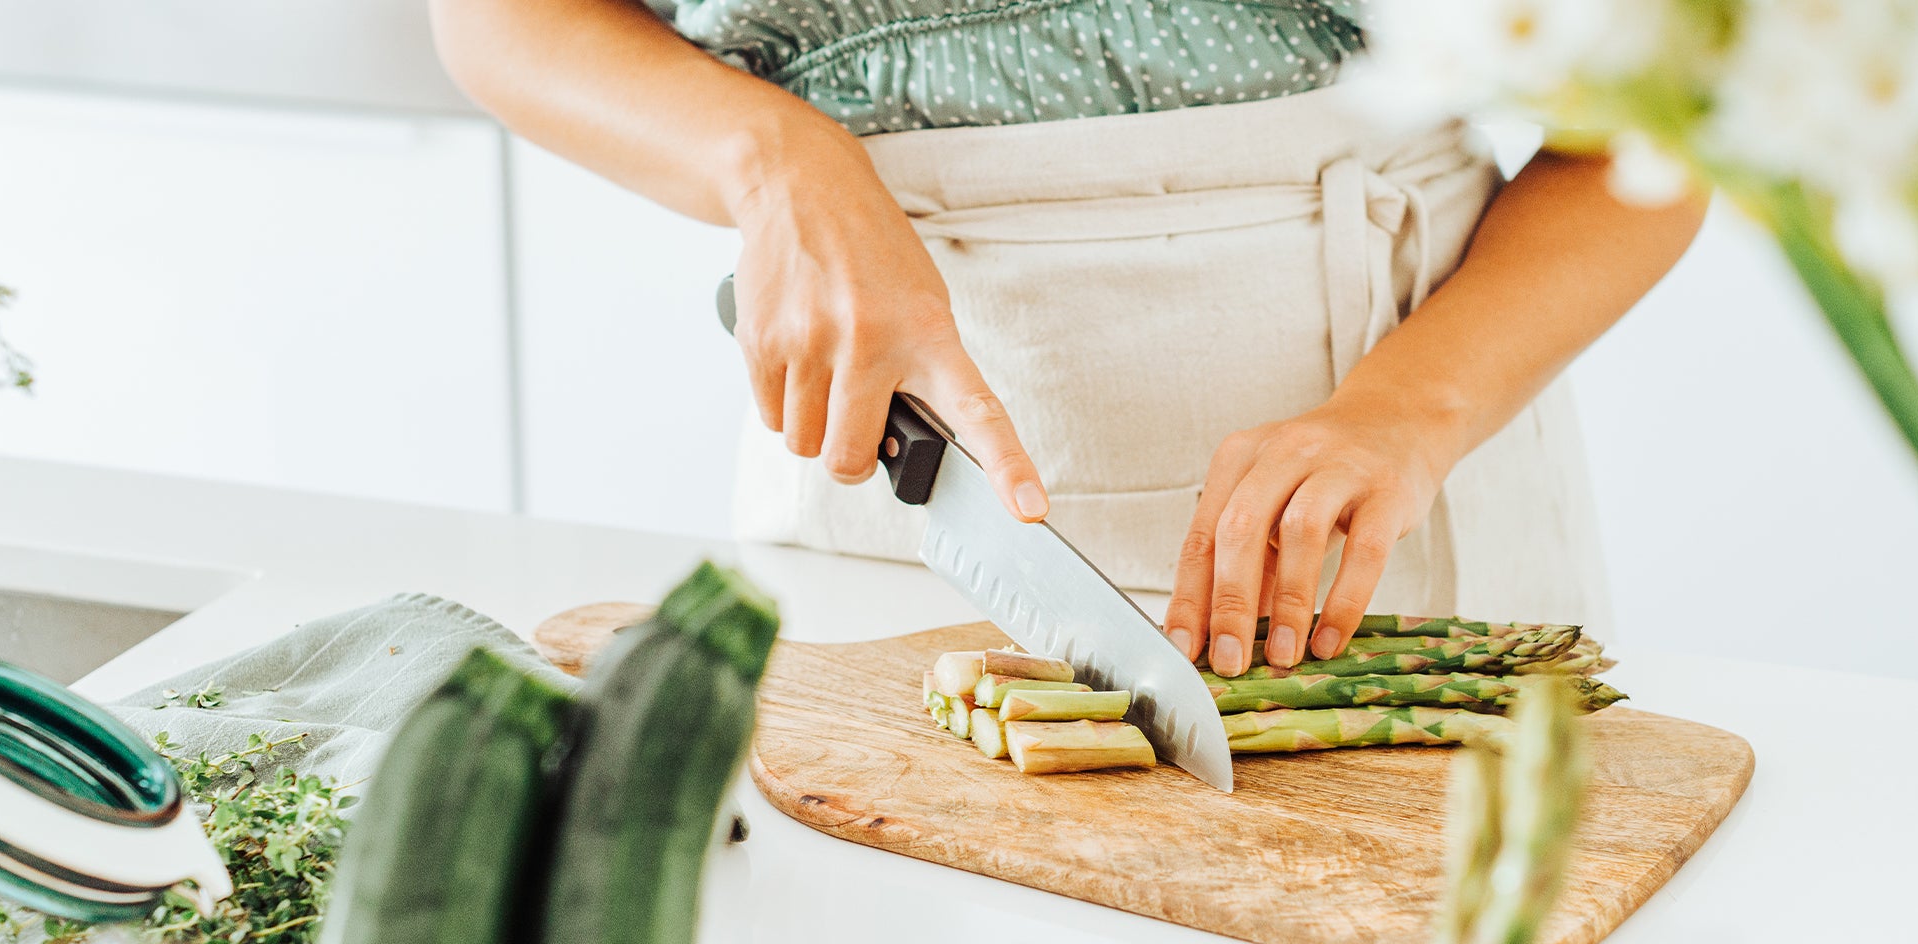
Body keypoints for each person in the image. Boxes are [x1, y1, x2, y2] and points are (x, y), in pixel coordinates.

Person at [432, 0, 1706, 677]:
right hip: (879, 492)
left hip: (1400, 488)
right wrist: (769, 161)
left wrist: (1407, 412)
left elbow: (1664, 126)